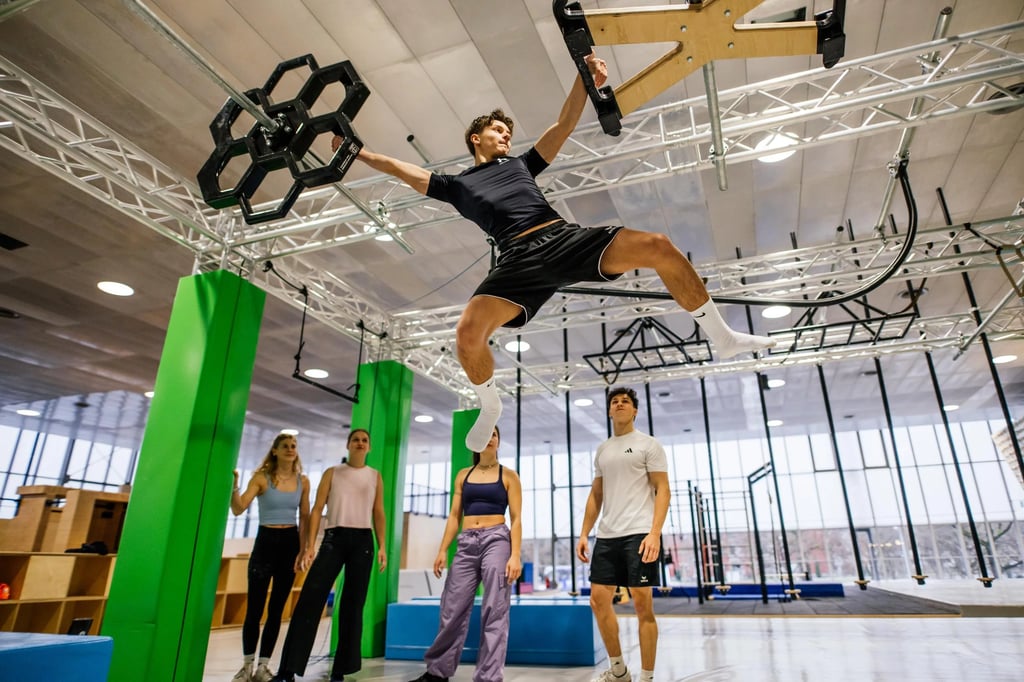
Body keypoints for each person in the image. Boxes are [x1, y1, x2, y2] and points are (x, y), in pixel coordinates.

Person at [333, 52, 775, 455]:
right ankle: (489, 404)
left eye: (508, 131)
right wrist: (361, 153)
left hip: (562, 238)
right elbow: (402, 169)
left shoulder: (522, 164)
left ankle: (722, 336)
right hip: (517, 261)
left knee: (658, 245)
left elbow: (563, 125)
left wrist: (585, 79)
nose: (506, 135)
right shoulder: (455, 185)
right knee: (467, 334)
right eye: (497, 130)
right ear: (475, 138)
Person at [270, 429, 388, 682]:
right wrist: (310, 545)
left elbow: (378, 512)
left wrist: (383, 546)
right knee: (310, 599)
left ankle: (340, 670)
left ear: (369, 447)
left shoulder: (374, 476)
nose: (360, 443)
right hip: (334, 538)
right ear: (348, 445)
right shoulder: (332, 473)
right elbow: (317, 509)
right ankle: (287, 669)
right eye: (355, 439)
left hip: (363, 542)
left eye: (364, 440)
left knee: (352, 605)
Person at [408, 426, 522, 682]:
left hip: (497, 540)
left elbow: (516, 519)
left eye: (494, 434)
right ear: (475, 440)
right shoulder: (463, 475)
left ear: (499, 441)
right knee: (452, 607)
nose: (490, 438)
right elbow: (453, 516)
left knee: (495, 609)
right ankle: (437, 672)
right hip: (466, 542)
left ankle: (488, 677)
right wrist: (442, 549)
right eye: (485, 434)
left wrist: (515, 554)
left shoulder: (509, 476)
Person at [576, 387, 670, 682]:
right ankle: (619, 671)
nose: (619, 404)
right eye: (614, 401)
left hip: (639, 533)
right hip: (607, 535)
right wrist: (584, 533)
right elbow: (596, 494)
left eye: (625, 401)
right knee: (597, 600)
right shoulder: (603, 449)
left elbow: (663, 489)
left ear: (634, 411)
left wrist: (654, 534)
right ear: (609, 411)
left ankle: (647, 677)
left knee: (642, 605)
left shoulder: (648, 444)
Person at [229, 433, 311, 682]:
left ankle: (263, 667)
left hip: (289, 543)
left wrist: (304, 549)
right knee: (254, 609)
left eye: (293, 446)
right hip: (265, 542)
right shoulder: (261, 478)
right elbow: (238, 508)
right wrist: (234, 485)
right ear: (274, 451)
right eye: (285, 446)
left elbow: (305, 517)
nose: (290, 449)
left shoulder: (303, 481)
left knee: (276, 610)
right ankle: (247, 666)